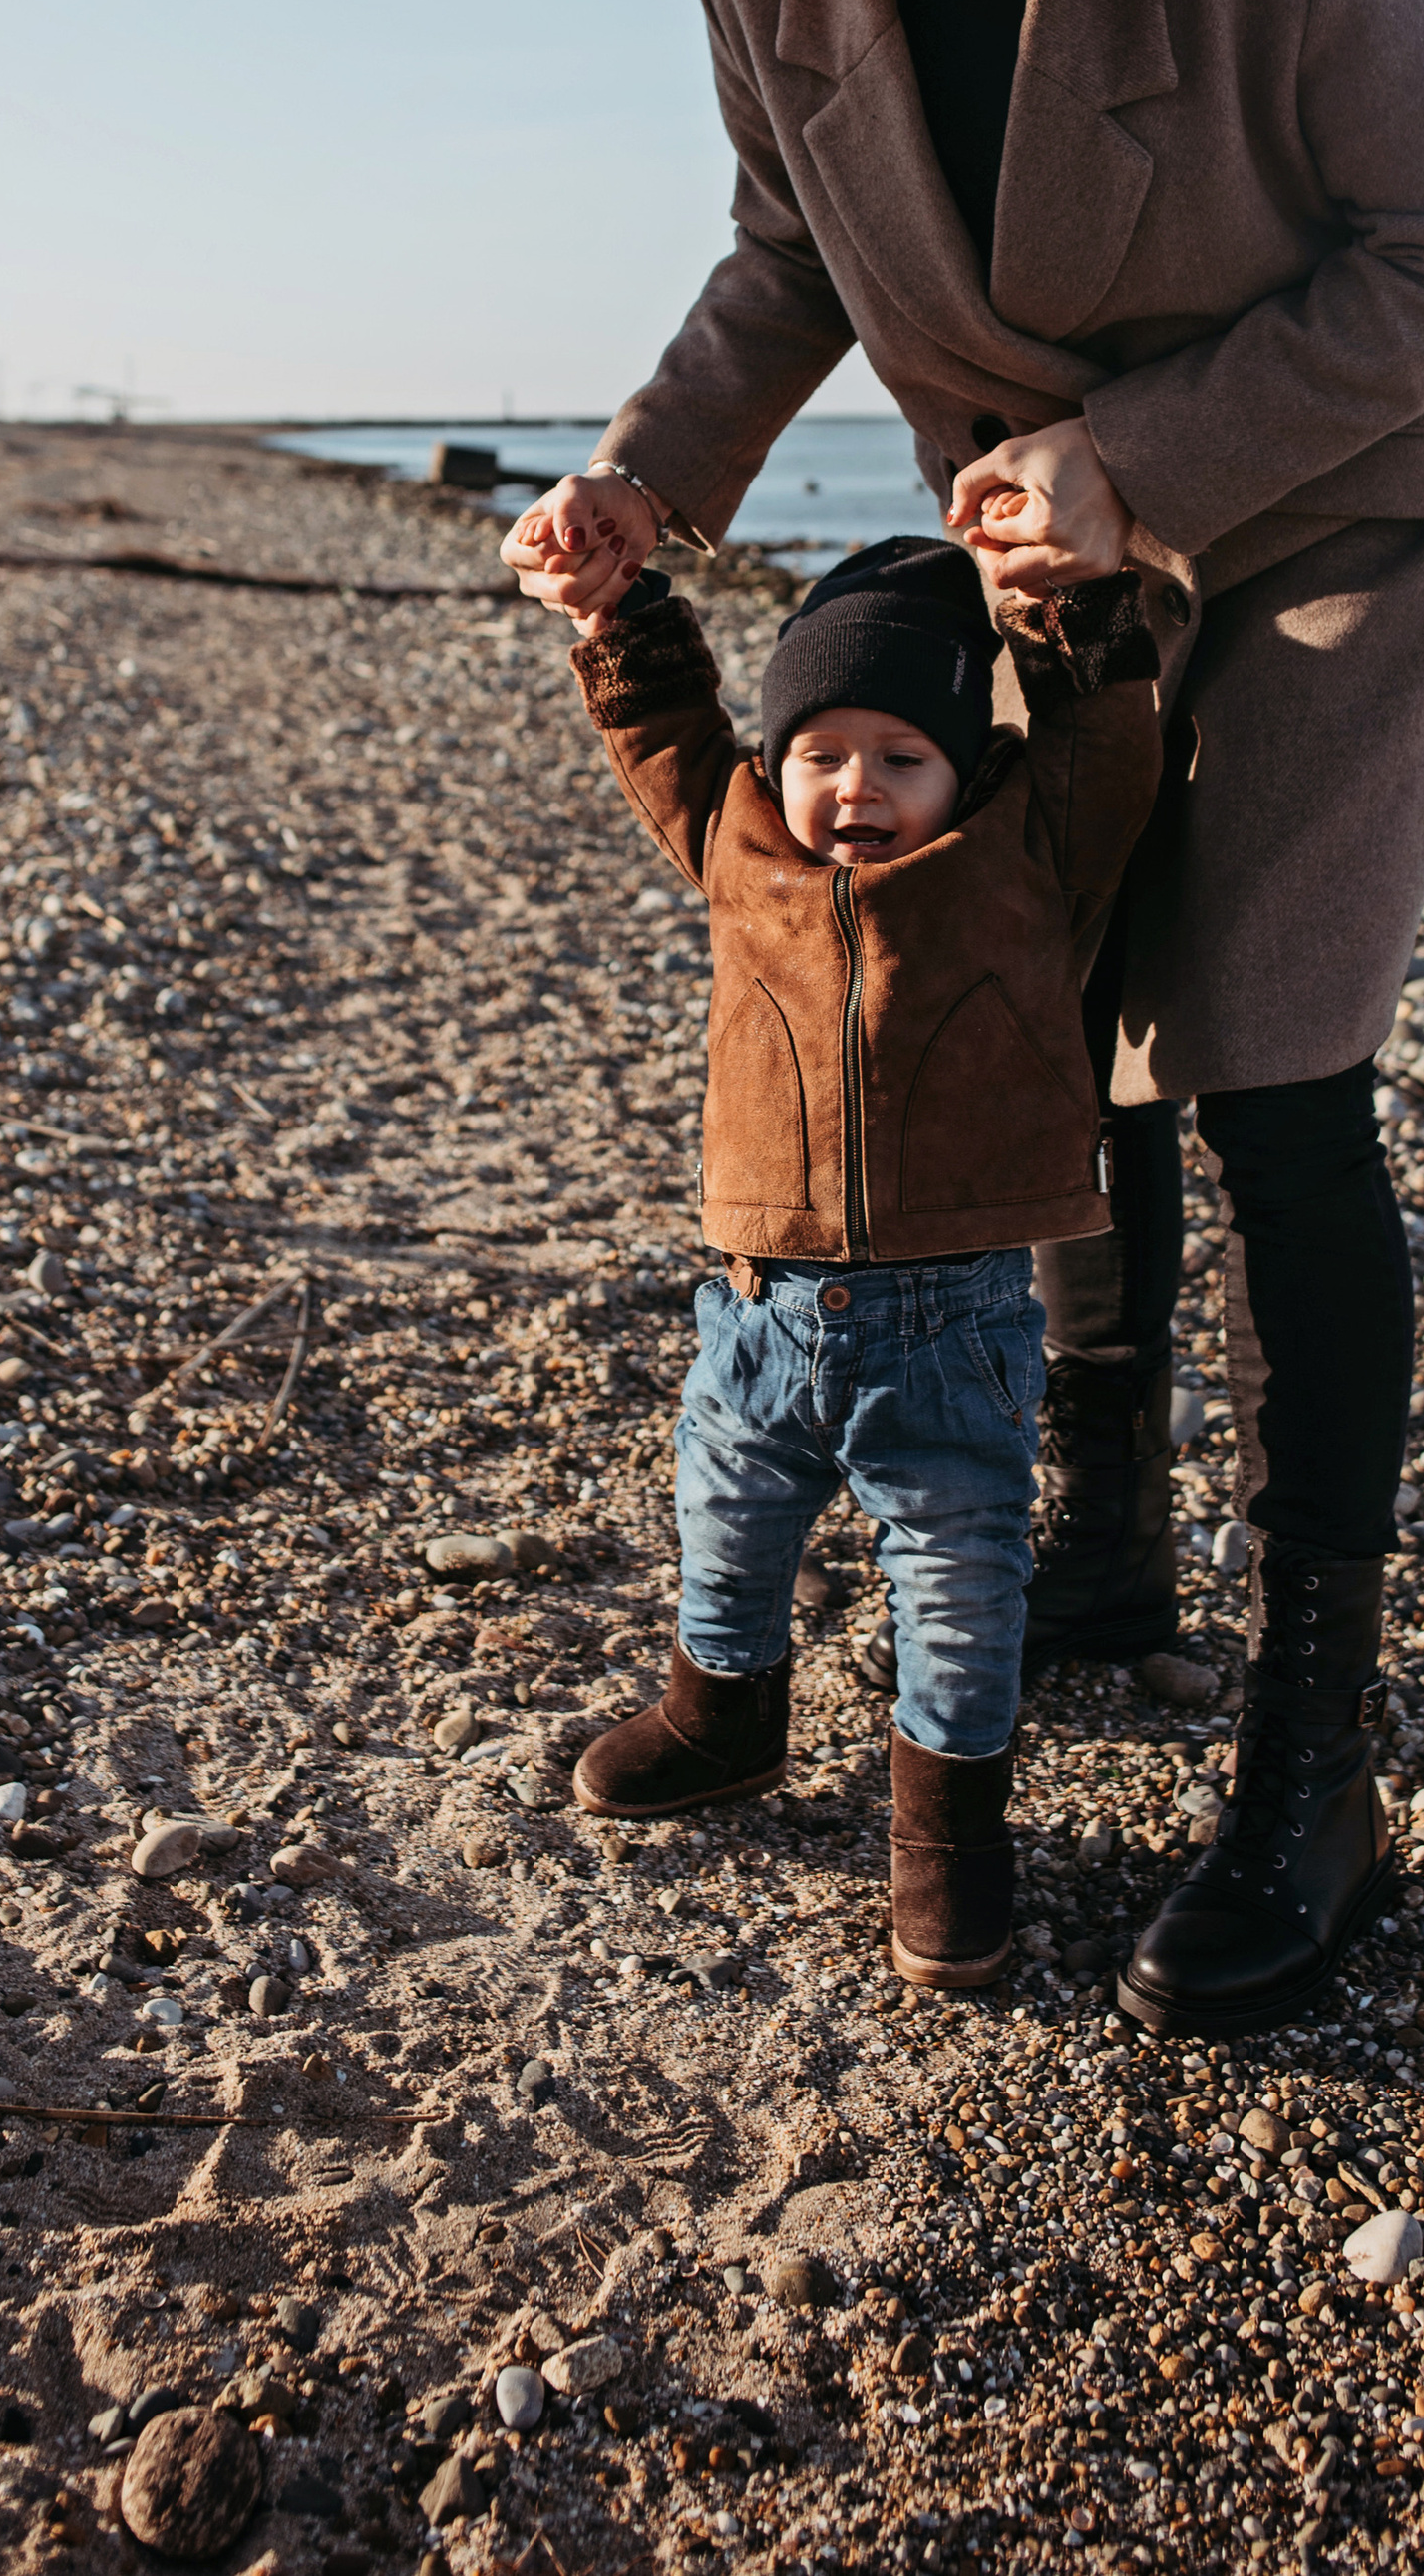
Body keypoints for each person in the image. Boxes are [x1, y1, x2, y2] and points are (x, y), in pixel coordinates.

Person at [506, 0, 1424, 2040]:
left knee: (1268, 1069)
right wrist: (655, 481)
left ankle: (1312, 1738)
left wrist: (1148, 455)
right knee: (1047, 1009)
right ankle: (1104, 1530)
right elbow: (791, 255)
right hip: (1038, 548)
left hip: (1324, 512)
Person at [543, 533, 1161, 1989]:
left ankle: (950, 1840)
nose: (856, 787)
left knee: (959, 1578)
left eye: (901, 754)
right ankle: (722, 1716)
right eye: (821, 751)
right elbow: (662, 728)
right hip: (758, 1309)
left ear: (968, 765)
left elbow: (1103, 735)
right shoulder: (739, 841)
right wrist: (613, 607)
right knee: (726, 1515)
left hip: (953, 1326)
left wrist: (1062, 603)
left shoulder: (1026, 847)